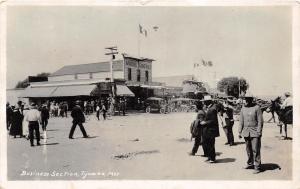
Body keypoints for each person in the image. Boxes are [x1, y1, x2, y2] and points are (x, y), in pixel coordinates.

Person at [238, 93, 263, 174]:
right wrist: (239, 131)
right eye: (246, 99)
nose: (247, 100)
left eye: (249, 99)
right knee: (248, 149)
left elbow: (260, 121)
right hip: (246, 132)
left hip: (255, 132)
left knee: (255, 149)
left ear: (252, 99)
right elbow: (241, 121)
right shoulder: (243, 108)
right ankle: (250, 163)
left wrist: (259, 131)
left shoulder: (257, 108)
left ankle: (257, 166)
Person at [201, 95, 220, 163]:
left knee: (211, 144)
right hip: (208, 130)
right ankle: (209, 157)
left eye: (205, 102)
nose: (204, 103)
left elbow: (213, 121)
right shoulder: (210, 108)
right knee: (207, 144)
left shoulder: (212, 109)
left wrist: (205, 122)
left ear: (208, 102)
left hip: (211, 130)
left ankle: (212, 158)